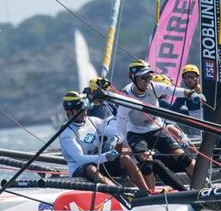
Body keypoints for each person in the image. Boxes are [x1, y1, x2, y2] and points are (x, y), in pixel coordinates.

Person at [116, 60, 196, 190]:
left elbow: (175, 90)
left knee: (184, 158)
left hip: (156, 129)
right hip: (136, 133)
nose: (147, 80)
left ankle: (202, 187)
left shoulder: (154, 87)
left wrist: (191, 93)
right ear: (133, 78)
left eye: (149, 76)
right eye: (144, 77)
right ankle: (151, 194)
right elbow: (120, 124)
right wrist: (121, 144)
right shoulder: (126, 96)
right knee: (146, 163)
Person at [58, 91, 152, 194]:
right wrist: (105, 157)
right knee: (91, 169)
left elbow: (118, 132)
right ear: (69, 112)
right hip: (80, 169)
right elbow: (80, 159)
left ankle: (146, 192)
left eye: (84, 109)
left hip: (99, 162)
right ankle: (123, 195)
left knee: (124, 158)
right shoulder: (67, 133)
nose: (83, 112)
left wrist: (116, 138)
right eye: (79, 110)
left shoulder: (93, 121)